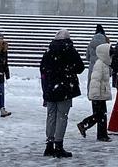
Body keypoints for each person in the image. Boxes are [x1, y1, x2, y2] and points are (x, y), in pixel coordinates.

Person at [41, 28, 86, 159]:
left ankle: (49, 145)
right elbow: (80, 68)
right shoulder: (69, 49)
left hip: (50, 87)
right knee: (62, 116)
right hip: (65, 88)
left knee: (51, 115)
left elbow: (42, 68)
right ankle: (59, 146)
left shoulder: (49, 50)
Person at [76, 42, 113, 142]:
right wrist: (96, 95)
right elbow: (95, 80)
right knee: (100, 115)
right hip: (98, 94)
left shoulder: (104, 63)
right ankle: (84, 125)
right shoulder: (100, 64)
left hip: (101, 93)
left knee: (101, 115)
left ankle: (101, 134)